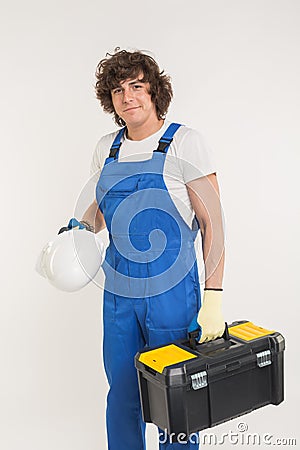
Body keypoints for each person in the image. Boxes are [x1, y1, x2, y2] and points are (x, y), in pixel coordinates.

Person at [78, 49, 225, 450]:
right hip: (119, 295)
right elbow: (101, 207)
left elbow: (213, 222)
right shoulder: (106, 148)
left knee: (175, 401)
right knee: (123, 398)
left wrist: (213, 297)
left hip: (172, 297)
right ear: (110, 100)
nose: (128, 97)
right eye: (118, 90)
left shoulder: (185, 142)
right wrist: (77, 230)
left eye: (137, 86)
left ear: (155, 92)